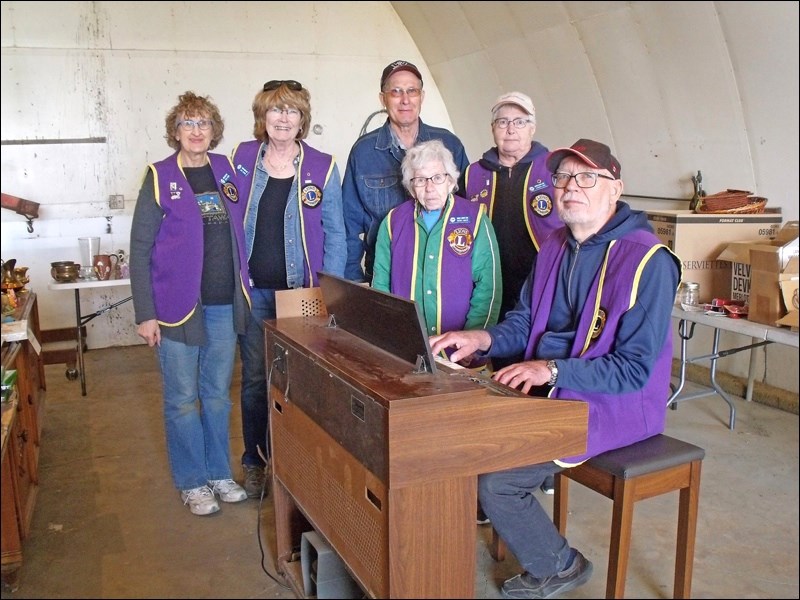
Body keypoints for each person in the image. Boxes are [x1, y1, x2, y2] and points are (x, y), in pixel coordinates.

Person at [430, 139, 681, 599]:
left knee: (497, 481)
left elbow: (634, 372)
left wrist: (551, 371)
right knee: (459, 436)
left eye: (587, 177)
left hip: (614, 404)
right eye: (563, 177)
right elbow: (526, 320)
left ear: (616, 188)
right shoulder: (554, 245)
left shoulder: (648, 260)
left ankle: (560, 565)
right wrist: (481, 338)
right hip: (555, 387)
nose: (570, 187)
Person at [130, 91, 251, 516]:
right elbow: (140, 247)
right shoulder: (160, 176)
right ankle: (192, 482)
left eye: (203, 123)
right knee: (182, 398)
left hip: (222, 304)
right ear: (175, 132)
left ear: (214, 130)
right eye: (187, 123)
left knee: (217, 395)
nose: (196, 131)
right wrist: (145, 314)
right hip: (175, 307)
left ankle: (219, 473)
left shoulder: (226, 169)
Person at [231, 80, 346, 499]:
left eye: (291, 111)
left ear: (303, 120)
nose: (283, 118)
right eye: (275, 111)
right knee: (256, 381)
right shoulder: (243, 158)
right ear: (262, 117)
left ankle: (297, 463)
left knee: (302, 382)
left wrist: (327, 296)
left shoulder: (323, 166)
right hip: (255, 293)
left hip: (302, 295)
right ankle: (255, 461)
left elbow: (336, 233)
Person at [465, 91, 562, 496]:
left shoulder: (553, 167)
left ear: (533, 127)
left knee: (538, 370)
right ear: (492, 129)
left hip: (539, 288)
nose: (511, 130)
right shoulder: (474, 172)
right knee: (498, 374)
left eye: (520, 122)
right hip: (491, 289)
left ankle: (545, 461)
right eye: (503, 122)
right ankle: (501, 456)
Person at [371, 139, 501, 359]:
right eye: (420, 180)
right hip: (407, 348)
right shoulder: (392, 222)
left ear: (451, 181)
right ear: (411, 188)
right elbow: (380, 285)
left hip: (460, 352)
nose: (430, 188)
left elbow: (489, 287)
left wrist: (473, 339)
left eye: (438, 178)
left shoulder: (475, 219)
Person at [342, 59, 470, 284]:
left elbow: (466, 213)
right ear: (383, 99)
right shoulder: (363, 152)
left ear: (422, 96)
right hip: (384, 275)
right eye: (396, 92)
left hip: (443, 273)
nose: (405, 100)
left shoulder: (449, 145)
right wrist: (354, 282)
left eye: (412, 91)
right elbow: (348, 226)